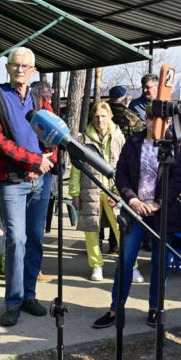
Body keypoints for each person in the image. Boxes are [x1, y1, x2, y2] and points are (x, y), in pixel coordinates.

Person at [0, 47, 57, 327]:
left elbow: (55, 132)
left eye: (26, 66)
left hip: (42, 178)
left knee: (36, 239)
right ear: (7, 66)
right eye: (16, 65)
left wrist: (47, 161)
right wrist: (33, 162)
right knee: (16, 241)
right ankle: (13, 302)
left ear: (33, 71)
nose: (20, 70)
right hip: (12, 179)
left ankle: (29, 295)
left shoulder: (40, 99)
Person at [91, 125, 181, 329]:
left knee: (159, 264)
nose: (156, 122)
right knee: (125, 262)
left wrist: (159, 202)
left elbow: (178, 178)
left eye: (161, 118)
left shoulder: (171, 143)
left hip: (162, 214)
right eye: (152, 117)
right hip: (135, 213)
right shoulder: (135, 141)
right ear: (147, 118)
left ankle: (155, 308)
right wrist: (132, 200)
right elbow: (122, 172)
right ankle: (115, 309)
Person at [69, 102, 125, 282]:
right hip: (90, 189)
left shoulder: (119, 137)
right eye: (96, 116)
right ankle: (96, 265)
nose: (100, 120)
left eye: (103, 116)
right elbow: (76, 168)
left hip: (112, 190)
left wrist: (118, 192)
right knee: (91, 229)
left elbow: (124, 166)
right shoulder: (84, 139)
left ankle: (129, 265)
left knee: (122, 229)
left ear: (110, 117)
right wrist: (75, 193)